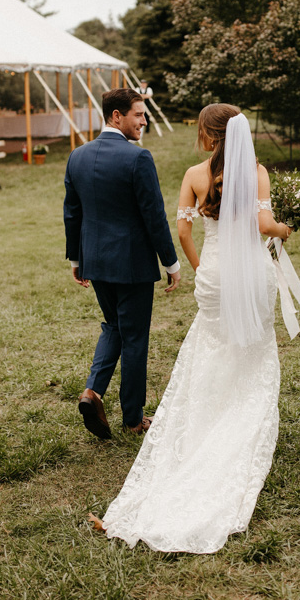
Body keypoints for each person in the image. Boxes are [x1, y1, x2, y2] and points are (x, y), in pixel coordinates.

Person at [100, 103, 292, 553]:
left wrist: (204, 269)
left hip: (214, 276)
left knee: (210, 351)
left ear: (209, 135)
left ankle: (205, 427)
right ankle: (239, 423)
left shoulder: (193, 174)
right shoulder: (258, 173)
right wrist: (287, 228)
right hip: (251, 277)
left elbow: (183, 233)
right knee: (253, 350)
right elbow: (264, 225)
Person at [64, 88, 181, 438]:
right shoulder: (137, 158)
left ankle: (92, 391)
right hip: (132, 266)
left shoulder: (77, 156)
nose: (144, 120)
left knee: (113, 325)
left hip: (95, 261)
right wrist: (171, 263)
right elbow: (154, 216)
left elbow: (72, 212)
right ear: (117, 116)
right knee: (134, 338)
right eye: (138, 114)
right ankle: (133, 420)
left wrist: (76, 257)